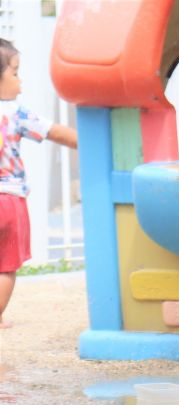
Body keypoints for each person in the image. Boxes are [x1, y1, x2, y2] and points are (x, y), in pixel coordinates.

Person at [0, 38, 78, 328]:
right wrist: (91, 145)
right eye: (15, 73)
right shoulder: (15, 112)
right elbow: (55, 132)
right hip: (8, 200)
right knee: (6, 266)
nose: (21, 81)